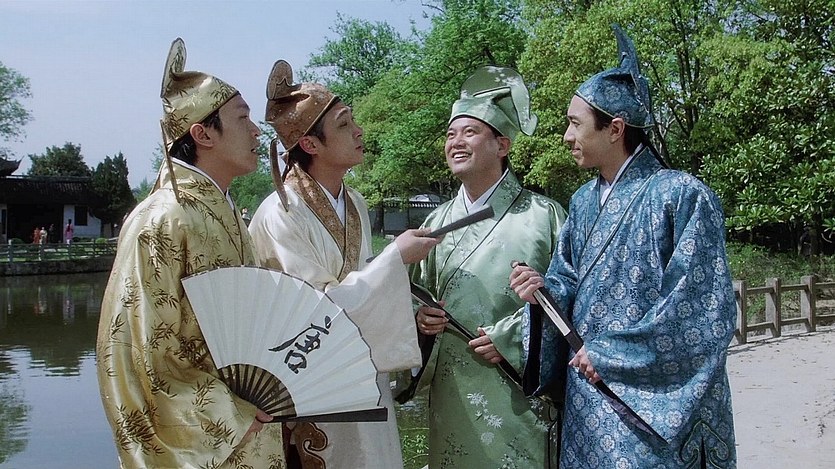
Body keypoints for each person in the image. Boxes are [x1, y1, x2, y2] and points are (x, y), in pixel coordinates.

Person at [510, 25, 737, 467]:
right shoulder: (582, 201)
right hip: (588, 394)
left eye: (575, 123)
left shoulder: (681, 195)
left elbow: (700, 309)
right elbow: (567, 280)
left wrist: (614, 355)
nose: (566, 136)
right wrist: (542, 293)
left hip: (650, 406)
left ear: (614, 128)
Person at [95, 38, 284, 467]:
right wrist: (226, 413)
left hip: (254, 418)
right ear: (202, 134)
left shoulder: (226, 212)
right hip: (213, 436)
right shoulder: (162, 218)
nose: (257, 131)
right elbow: (136, 348)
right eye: (243, 118)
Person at [248, 60, 440, 469]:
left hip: (364, 373)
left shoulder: (354, 203)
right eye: (344, 124)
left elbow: (363, 285)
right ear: (310, 144)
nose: (359, 131)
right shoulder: (280, 214)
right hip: (312, 381)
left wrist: (410, 311)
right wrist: (395, 258)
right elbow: (314, 310)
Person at [408, 66, 567, 468]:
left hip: (518, 391)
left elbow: (572, 295)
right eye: (450, 134)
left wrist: (513, 338)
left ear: (502, 145)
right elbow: (411, 295)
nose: (456, 142)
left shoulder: (544, 216)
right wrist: (419, 319)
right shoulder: (434, 223)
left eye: (470, 132)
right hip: (452, 391)